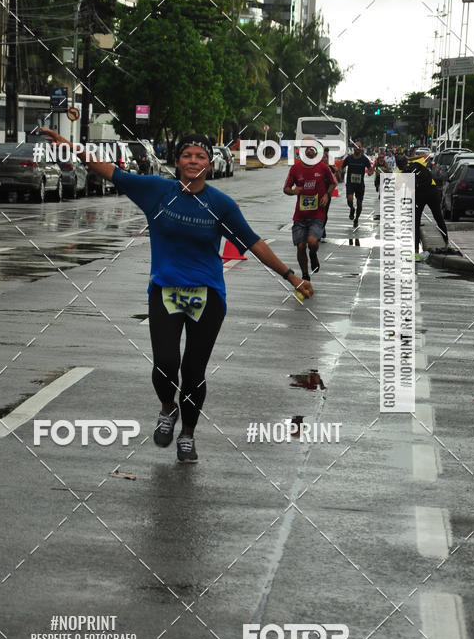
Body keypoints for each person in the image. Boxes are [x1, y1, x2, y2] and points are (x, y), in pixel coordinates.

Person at [41, 129, 313, 463]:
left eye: (200, 156)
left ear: (209, 165)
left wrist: (291, 277)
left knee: (194, 371)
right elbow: (111, 171)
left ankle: (188, 434)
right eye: (187, 155)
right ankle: (168, 409)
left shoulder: (221, 205)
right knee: (166, 363)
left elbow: (253, 243)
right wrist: (71, 148)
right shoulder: (155, 191)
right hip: (165, 289)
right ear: (178, 161)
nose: (193, 161)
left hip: (207, 295)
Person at [284, 144, 336, 279]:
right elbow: (286, 188)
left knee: (312, 242)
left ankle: (313, 254)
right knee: (301, 246)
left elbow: (333, 182)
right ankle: (305, 275)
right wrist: (293, 191)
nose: (309, 150)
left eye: (312, 148)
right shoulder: (295, 169)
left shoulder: (323, 167)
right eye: (306, 148)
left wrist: (326, 195)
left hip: (317, 214)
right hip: (300, 215)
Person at [394, 152, 449, 258]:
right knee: (439, 218)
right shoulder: (417, 163)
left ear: (398, 165)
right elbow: (426, 156)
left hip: (418, 195)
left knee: (416, 222)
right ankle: (447, 244)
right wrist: (410, 157)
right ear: (406, 160)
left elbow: (397, 188)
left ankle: (415, 252)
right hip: (432, 192)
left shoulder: (400, 173)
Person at [341, 142, 372, 226]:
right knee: (350, 199)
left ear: (361, 148)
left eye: (359, 147)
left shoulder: (364, 159)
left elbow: (370, 169)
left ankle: (357, 218)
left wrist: (370, 172)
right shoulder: (349, 158)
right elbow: (342, 167)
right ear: (354, 148)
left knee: (359, 204)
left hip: (360, 184)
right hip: (350, 183)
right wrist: (340, 171)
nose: (357, 148)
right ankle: (352, 208)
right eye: (356, 147)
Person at [321, 147, 338, 239]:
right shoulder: (315, 167)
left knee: (324, 213)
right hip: (315, 195)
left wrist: (336, 170)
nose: (323, 159)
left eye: (325, 157)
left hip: (326, 195)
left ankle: (322, 228)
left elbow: (335, 182)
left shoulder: (330, 168)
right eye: (322, 157)